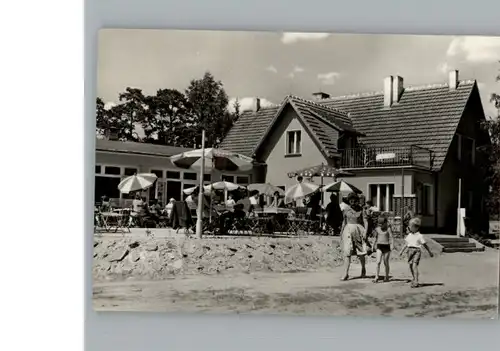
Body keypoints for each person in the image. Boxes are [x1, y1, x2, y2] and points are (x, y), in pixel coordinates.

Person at [340, 192, 370, 281]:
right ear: (349, 201)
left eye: (354, 201)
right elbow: (344, 222)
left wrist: (365, 232)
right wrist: (341, 233)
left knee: (361, 253)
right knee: (347, 252)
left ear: (357, 201)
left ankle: (363, 268)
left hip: (358, 231)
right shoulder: (346, 210)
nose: (352, 202)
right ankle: (346, 273)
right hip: (348, 231)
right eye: (351, 201)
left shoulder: (361, 210)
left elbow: (366, 221)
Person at [399, 217, 434, 288]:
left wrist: (430, 251)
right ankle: (414, 278)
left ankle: (416, 281)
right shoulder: (409, 235)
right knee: (410, 266)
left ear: (416, 228)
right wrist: (401, 251)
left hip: (416, 251)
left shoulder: (419, 236)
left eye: (411, 226)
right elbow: (406, 244)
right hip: (409, 251)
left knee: (414, 265)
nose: (409, 228)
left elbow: (424, 244)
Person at [372, 216, 394, 283]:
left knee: (385, 262)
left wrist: (392, 245)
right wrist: (373, 245)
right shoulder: (377, 229)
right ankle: (376, 277)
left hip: (386, 247)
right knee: (378, 262)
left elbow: (391, 237)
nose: (380, 225)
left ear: (385, 223)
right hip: (379, 246)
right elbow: (375, 238)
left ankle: (386, 276)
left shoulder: (388, 229)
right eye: (379, 224)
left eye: (382, 224)